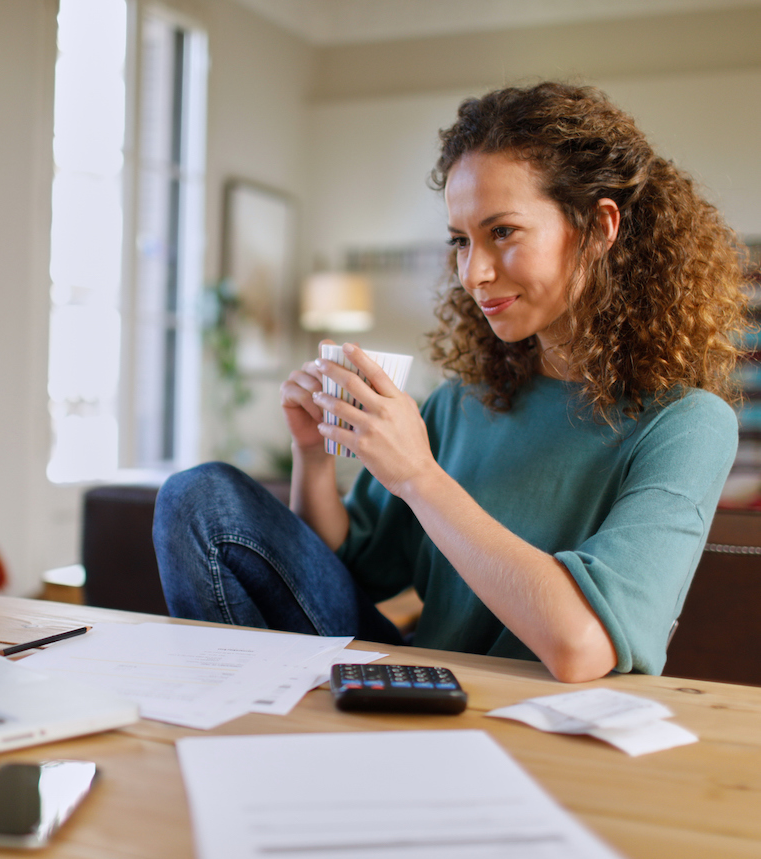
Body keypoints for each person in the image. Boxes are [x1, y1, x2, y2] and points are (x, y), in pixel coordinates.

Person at [153, 82, 750, 682]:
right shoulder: (459, 405)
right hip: (425, 688)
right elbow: (345, 570)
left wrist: (419, 476)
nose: (474, 273)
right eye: (461, 242)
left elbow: (582, 646)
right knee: (200, 498)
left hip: (548, 719)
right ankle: (249, 724)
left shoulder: (687, 424)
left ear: (599, 227)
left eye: (503, 233)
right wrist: (312, 455)